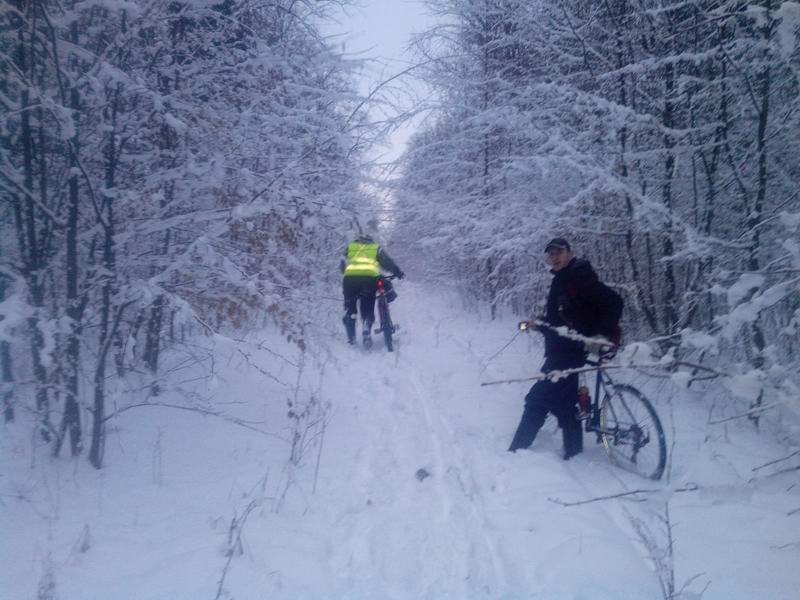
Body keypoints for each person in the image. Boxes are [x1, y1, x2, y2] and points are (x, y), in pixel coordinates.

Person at [508, 237, 623, 459]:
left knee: (537, 400)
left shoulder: (578, 277)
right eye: (551, 254)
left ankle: (515, 453)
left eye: (559, 252)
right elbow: (565, 319)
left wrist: (600, 334)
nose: (554, 257)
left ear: (570, 253)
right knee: (564, 406)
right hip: (562, 352)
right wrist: (539, 324)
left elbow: (615, 302)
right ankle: (574, 453)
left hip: (567, 355)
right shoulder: (563, 278)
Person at [340, 234, 404, 347]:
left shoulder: (350, 247)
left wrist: (347, 273)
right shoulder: (375, 248)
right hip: (368, 280)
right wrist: (397, 272)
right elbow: (387, 262)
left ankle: (351, 340)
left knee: (350, 309)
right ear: (370, 240)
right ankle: (366, 327)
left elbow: (342, 265)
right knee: (367, 307)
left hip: (349, 281)